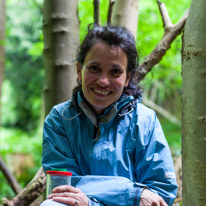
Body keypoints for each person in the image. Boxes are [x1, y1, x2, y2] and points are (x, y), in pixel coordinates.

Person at [41, 25, 178, 206]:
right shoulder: (60, 119)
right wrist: (133, 193)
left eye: (115, 72)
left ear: (127, 77)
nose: (103, 81)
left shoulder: (145, 121)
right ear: (78, 70)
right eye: (94, 68)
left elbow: (162, 191)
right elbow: (64, 186)